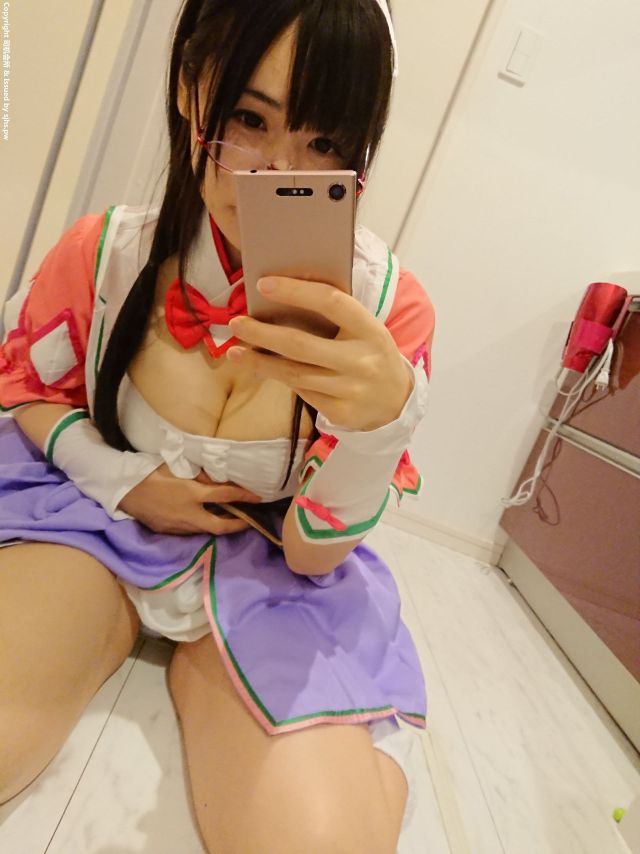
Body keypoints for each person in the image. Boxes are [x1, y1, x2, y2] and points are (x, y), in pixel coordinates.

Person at [0, 1, 435, 851]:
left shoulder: (386, 313)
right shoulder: (107, 254)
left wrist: (379, 431)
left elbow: (312, 552)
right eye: (248, 119)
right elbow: (27, 389)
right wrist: (129, 481)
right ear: (191, 90)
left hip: (274, 573)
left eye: (324, 143)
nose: (275, 174)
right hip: (98, 524)